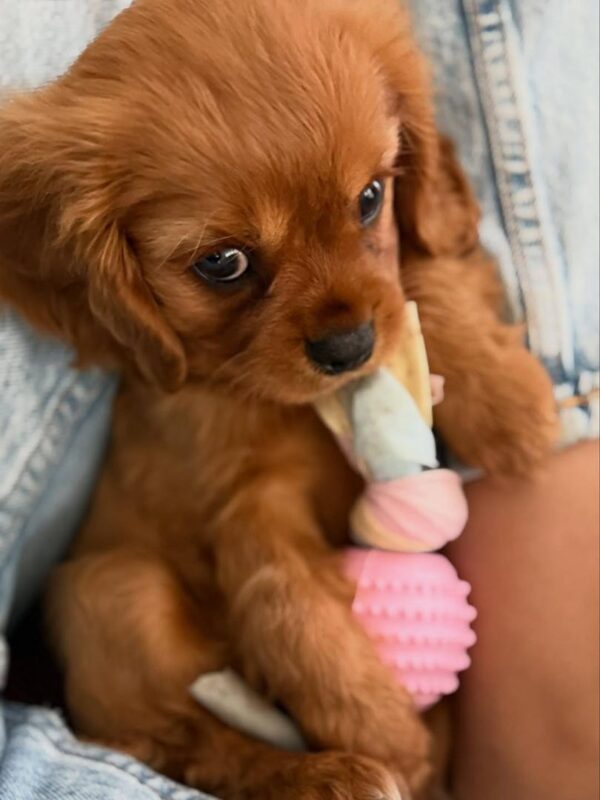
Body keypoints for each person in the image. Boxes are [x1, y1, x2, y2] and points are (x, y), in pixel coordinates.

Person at [0, 2, 597, 799]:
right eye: (226, 266)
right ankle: (240, 768)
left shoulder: (368, 60)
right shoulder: (191, 369)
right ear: (104, 270)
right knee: (104, 611)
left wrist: (458, 333)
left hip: (408, 598)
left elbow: (434, 234)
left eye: (365, 203)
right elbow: (250, 530)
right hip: (191, 609)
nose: (345, 330)